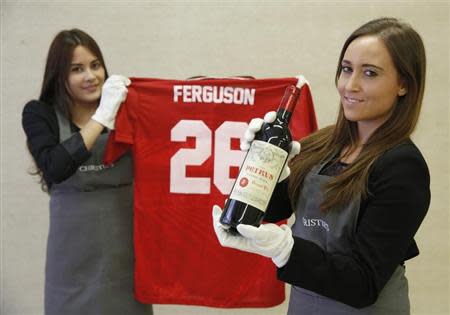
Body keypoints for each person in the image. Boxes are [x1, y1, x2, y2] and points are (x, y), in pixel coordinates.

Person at [213, 17, 430, 314]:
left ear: (404, 84)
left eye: (369, 73)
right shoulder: (323, 145)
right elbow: (277, 208)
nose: (350, 85)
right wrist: (264, 166)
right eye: (346, 69)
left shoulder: (403, 168)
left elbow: (363, 283)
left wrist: (284, 249)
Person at [22, 29, 152, 315]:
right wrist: (102, 117)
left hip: (124, 247)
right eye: (77, 69)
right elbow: (54, 166)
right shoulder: (39, 113)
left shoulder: (129, 109)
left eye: (95, 65)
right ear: (59, 76)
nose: (91, 76)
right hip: (72, 256)